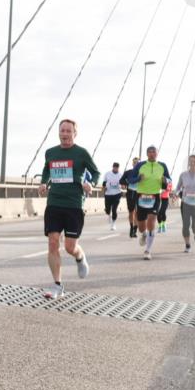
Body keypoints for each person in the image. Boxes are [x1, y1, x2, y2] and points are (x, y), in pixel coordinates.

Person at [38, 119, 99, 298]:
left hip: (73, 204)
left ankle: (80, 257)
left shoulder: (81, 153)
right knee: (53, 242)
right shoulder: (51, 152)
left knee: (70, 247)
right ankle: (57, 285)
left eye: (68, 131)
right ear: (59, 132)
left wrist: (90, 183)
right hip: (54, 203)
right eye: (62, 130)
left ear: (74, 133)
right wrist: (43, 183)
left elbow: (95, 172)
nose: (65, 134)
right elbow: (46, 171)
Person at [134, 145, 171, 260]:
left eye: (153, 152)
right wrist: (137, 179)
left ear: (157, 153)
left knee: (151, 220)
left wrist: (165, 180)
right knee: (141, 226)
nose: (151, 153)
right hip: (140, 196)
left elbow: (169, 179)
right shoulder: (140, 165)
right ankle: (144, 234)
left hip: (155, 196)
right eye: (149, 152)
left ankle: (148, 250)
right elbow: (130, 178)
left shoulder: (162, 165)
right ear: (146, 154)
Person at [119, 157, 142, 237]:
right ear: (132, 164)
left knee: (138, 212)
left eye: (138, 163)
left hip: (140, 193)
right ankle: (131, 228)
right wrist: (127, 182)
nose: (136, 164)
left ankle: (135, 230)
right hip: (131, 193)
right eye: (134, 162)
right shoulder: (128, 172)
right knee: (131, 211)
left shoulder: (143, 173)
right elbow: (121, 180)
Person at [102, 162, 123, 231]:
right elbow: (104, 182)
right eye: (114, 167)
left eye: (117, 167)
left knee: (114, 209)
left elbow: (123, 184)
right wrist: (104, 188)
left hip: (117, 193)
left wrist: (123, 186)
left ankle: (113, 224)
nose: (115, 168)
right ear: (112, 167)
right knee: (107, 210)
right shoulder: (107, 174)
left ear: (118, 168)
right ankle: (108, 213)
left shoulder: (120, 175)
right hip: (108, 194)